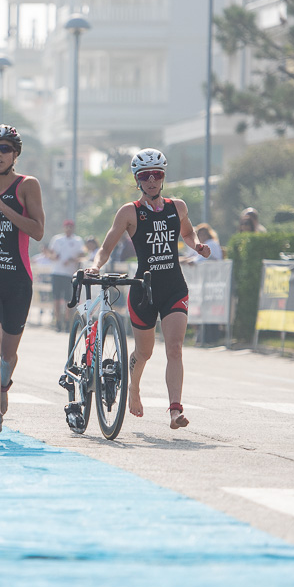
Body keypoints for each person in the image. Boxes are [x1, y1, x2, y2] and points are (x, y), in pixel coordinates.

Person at [87, 148, 209, 429]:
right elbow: (106, 246)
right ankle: (134, 388)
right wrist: (96, 266)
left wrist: (197, 245)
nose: (151, 181)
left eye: (157, 175)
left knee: (175, 348)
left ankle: (175, 410)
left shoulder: (177, 206)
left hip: (174, 287)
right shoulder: (129, 212)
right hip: (143, 290)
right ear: (137, 179)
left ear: (163, 177)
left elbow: (188, 232)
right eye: (145, 176)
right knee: (144, 353)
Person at [0, 124, 45, 434]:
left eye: (5, 149)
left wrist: (0, 206)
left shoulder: (27, 185)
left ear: (15, 153)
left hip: (18, 279)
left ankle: (3, 384)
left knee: (8, 352)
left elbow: (37, 231)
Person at [45, 219, 86, 332]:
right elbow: (50, 253)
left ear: (73, 228)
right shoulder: (57, 239)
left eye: (70, 227)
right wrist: (54, 257)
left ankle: (68, 322)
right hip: (57, 272)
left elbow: (82, 255)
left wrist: (73, 259)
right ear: (64, 228)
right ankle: (58, 321)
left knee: (69, 299)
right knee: (57, 299)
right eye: (67, 227)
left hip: (70, 274)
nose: (68, 229)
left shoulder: (77, 240)